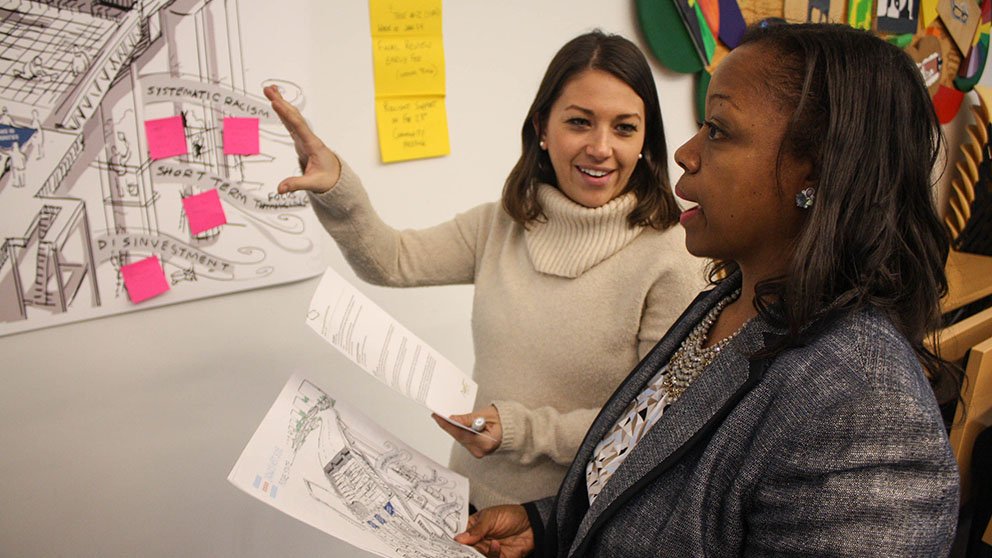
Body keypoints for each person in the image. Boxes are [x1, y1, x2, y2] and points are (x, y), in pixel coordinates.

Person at [456, 23, 961, 557]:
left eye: (718, 130)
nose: (685, 152)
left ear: (814, 170)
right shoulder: (728, 301)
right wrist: (550, 525)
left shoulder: (867, 409)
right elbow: (647, 480)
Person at [264, 30, 705, 508]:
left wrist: (518, 431)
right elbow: (390, 261)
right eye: (580, 122)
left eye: (624, 128)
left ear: (646, 139)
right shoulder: (502, 224)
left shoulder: (672, 253)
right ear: (542, 126)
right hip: (467, 507)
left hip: (568, 523)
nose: (601, 147)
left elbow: (650, 423)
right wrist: (336, 188)